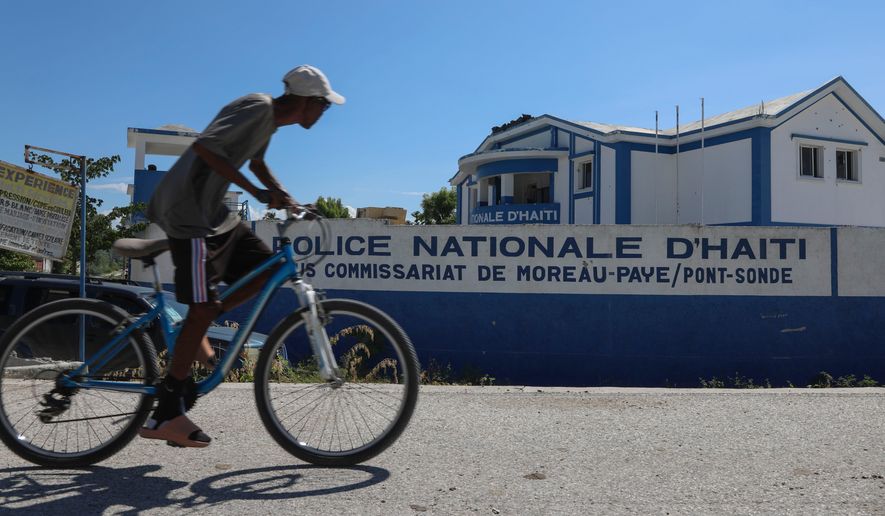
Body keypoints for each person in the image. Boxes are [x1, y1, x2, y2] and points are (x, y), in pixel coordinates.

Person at [138, 65, 345, 448]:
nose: (324, 112)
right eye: (324, 105)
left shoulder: (269, 123)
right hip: (188, 211)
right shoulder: (257, 107)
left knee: (267, 271)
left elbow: (258, 163)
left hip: (213, 212)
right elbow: (205, 148)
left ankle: (200, 323)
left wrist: (286, 198)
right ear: (306, 101)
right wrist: (256, 192)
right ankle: (166, 411)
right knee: (202, 307)